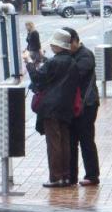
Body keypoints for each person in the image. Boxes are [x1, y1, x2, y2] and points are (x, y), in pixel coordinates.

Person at [24, 29, 78, 188]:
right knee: (64, 141)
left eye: (54, 43)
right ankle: (66, 176)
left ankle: (55, 177)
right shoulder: (72, 62)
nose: (52, 45)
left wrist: (28, 62)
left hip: (50, 107)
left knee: (53, 142)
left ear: (57, 45)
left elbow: (37, 78)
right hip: (66, 106)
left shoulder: (53, 62)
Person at [63, 27, 100, 186]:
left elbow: (73, 75)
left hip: (87, 104)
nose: (67, 48)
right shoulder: (68, 55)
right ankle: (71, 176)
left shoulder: (86, 55)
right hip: (73, 105)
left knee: (86, 140)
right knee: (71, 141)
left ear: (76, 41)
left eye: (69, 44)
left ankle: (92, 175)